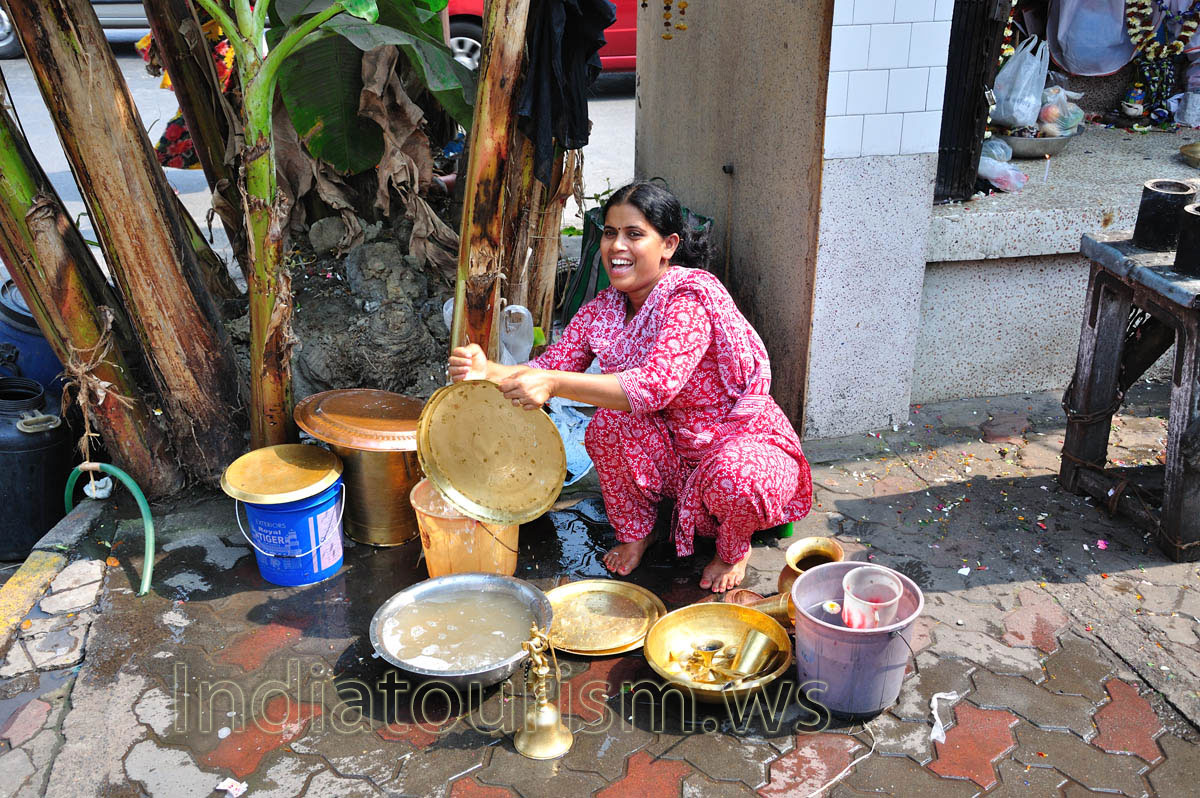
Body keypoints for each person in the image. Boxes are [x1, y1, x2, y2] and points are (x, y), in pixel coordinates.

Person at [448, 182, 812, 592]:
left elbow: (654, 386)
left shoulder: (689, 298)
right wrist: (489, 370)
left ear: (668, 245)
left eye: (634, 234)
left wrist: (551, 384)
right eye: (609, 233)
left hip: (734, 441)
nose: (616, 246)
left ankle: (732, 549)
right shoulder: (603, 309)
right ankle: (640, 531)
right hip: (674, 449)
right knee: (607, 425)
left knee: (739, 480)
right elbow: (550, 367)